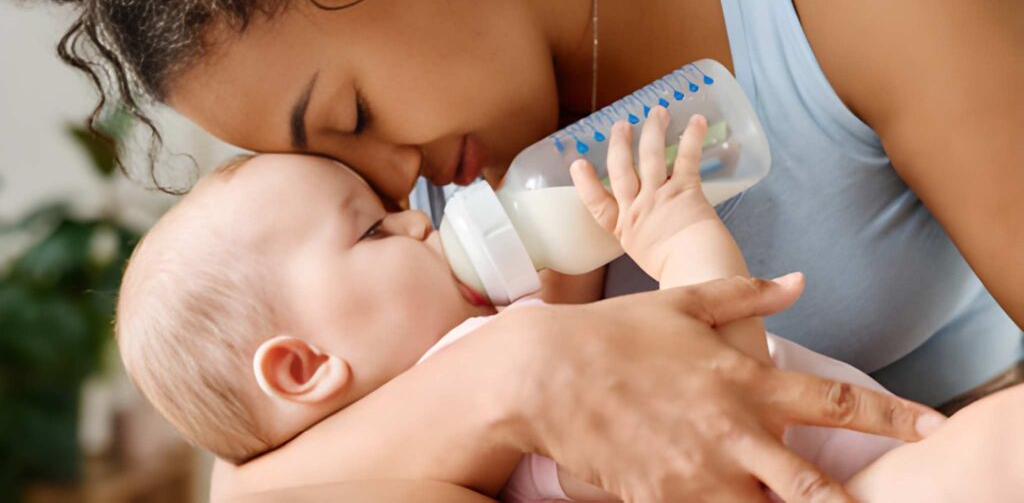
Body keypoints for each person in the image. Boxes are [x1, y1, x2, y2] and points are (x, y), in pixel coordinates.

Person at [2, 0, 1020, 500]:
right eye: (345, 180)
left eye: (351, 113)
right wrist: (519, 371)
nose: (396, 185)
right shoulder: (418, 219)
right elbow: (256, 483)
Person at [117, 111, 916, 502]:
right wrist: (682, 245)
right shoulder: (525, 395)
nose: (420, 217)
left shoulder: (451, 434)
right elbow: (719, 409)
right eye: (371, 228)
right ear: (303, 366)